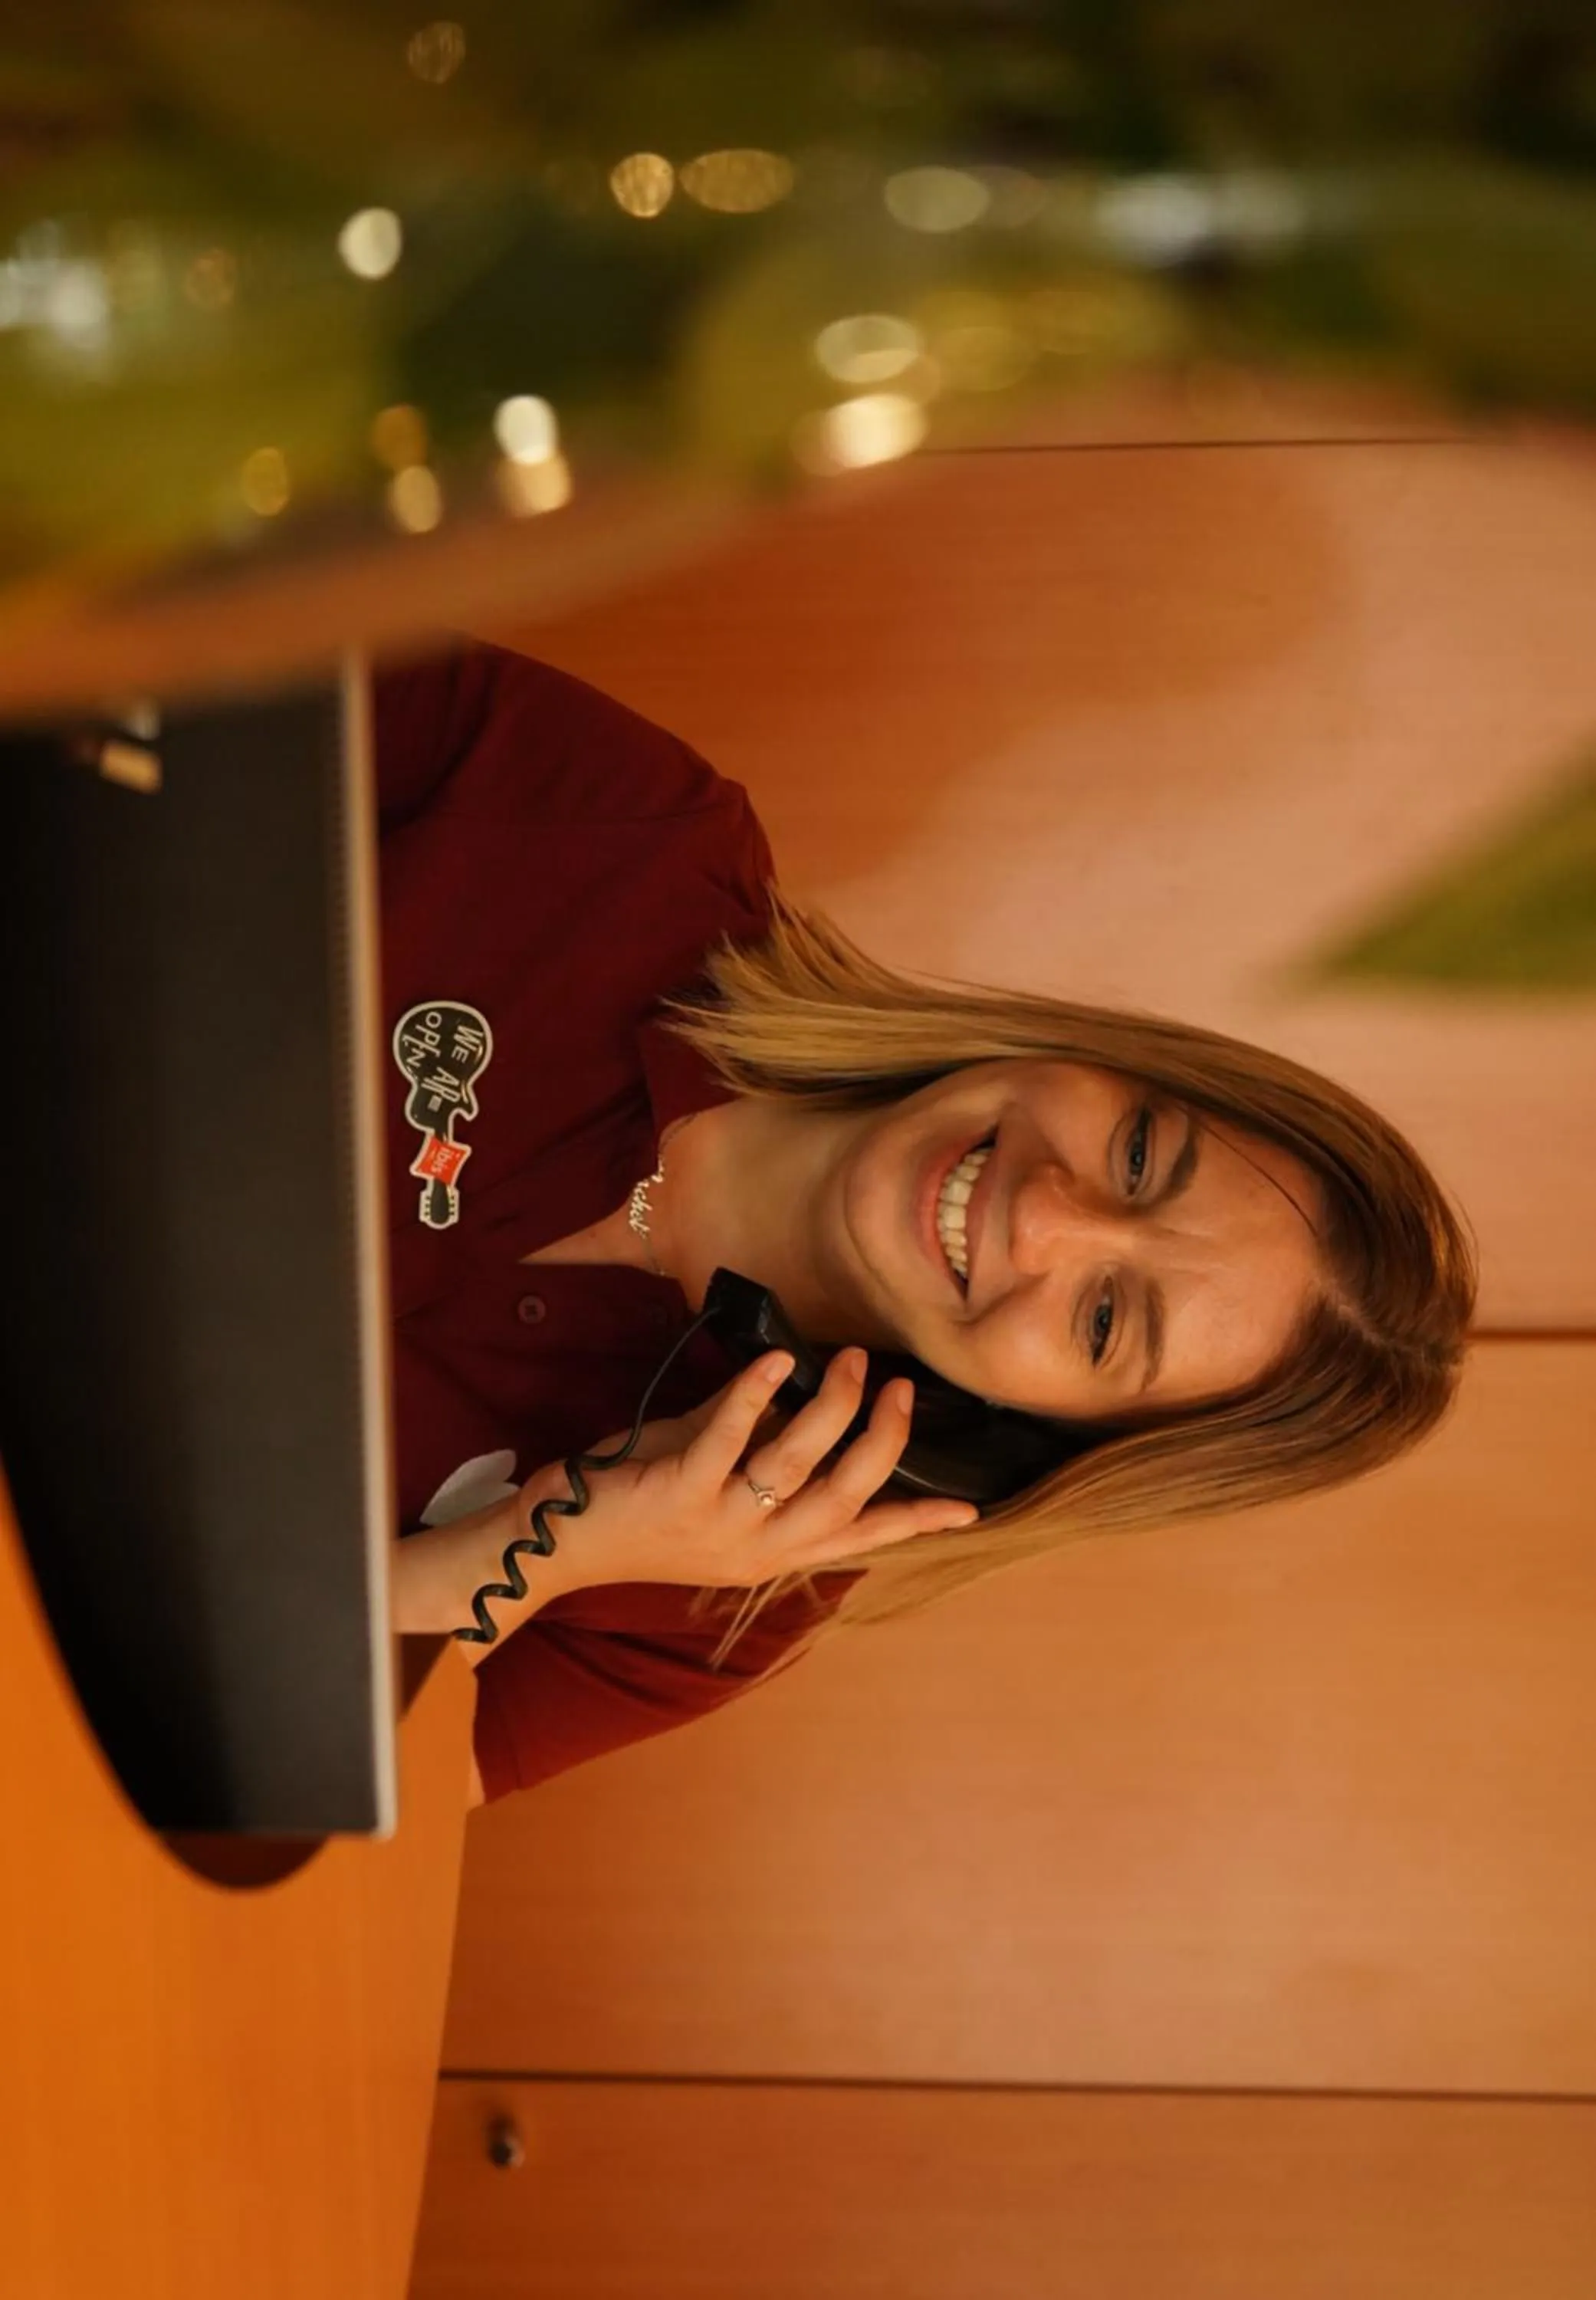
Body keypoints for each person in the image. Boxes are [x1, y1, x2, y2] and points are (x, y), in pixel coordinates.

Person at [381, 639, 1476, 1809]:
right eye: (1143, 1154)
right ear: (1106, 1059)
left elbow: (272, 1821)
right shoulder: (630, 829)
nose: (1048, 1215)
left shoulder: (724, 1597)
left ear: (1038, 1434)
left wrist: (532, 1548)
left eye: (1106, 1319)